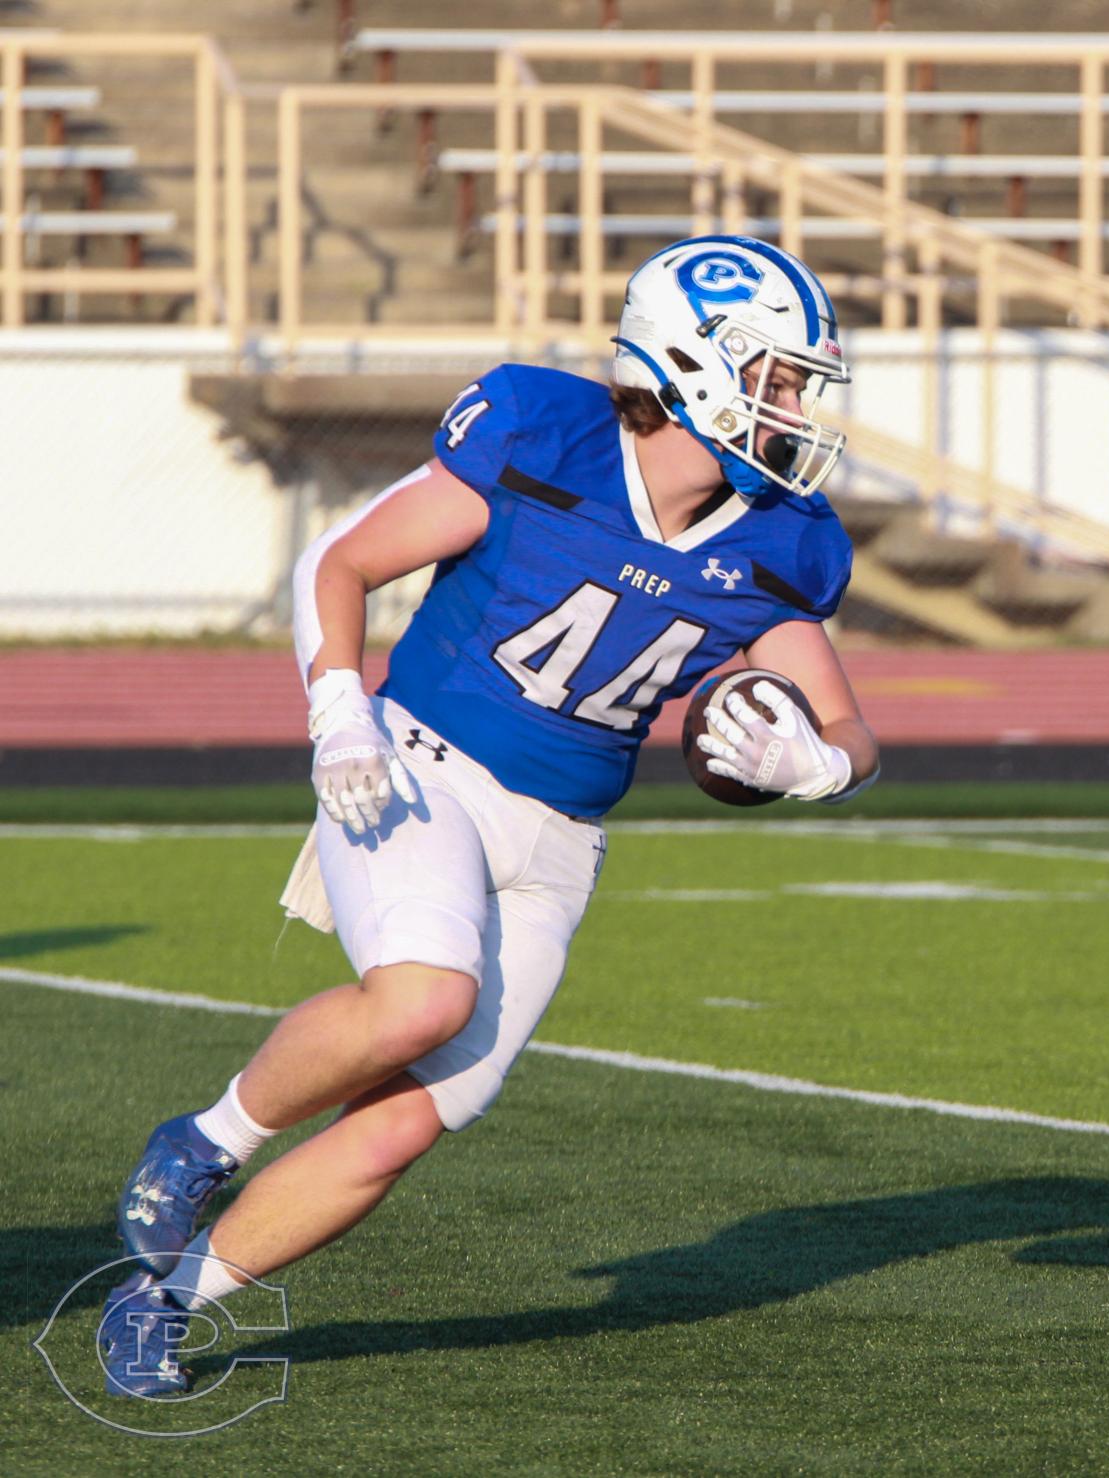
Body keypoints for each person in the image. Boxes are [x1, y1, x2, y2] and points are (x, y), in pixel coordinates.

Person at [98, 236, 880, 1397]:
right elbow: (342, 561)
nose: (796, 405)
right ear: (690, 366)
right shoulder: (541, 431)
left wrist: (816, 765)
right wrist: (338, 712)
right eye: (773, 375)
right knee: (423, 995)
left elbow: (853, 733)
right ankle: (205, 1138)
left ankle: (166, 1301)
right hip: (419, 763)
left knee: (416, 1116)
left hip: (561, 837)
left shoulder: (782, 539)